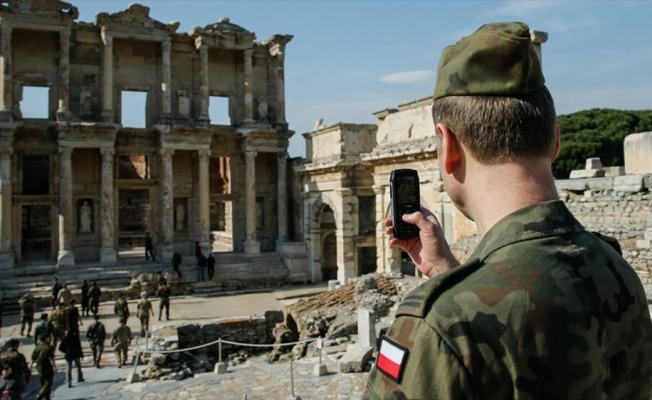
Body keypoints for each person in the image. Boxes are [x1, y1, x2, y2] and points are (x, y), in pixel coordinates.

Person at [364, 22, 652, 399]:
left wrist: (453, 293)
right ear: (556, 142)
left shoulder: (441, 327)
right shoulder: (615, 270)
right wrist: (448, 273)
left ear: (448, 146)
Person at [30, 334, 56, 400]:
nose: (49, 339)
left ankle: (47, 397)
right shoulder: (49, 347)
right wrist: (54, 367)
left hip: (39, 367)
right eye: (48, 337)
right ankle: (40, 395)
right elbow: (51, 359)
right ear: (45, 339)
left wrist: (30, 368)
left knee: (43, 383)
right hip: (47, 366)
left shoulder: (37, 347)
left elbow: (33, 358)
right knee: (48, 383)